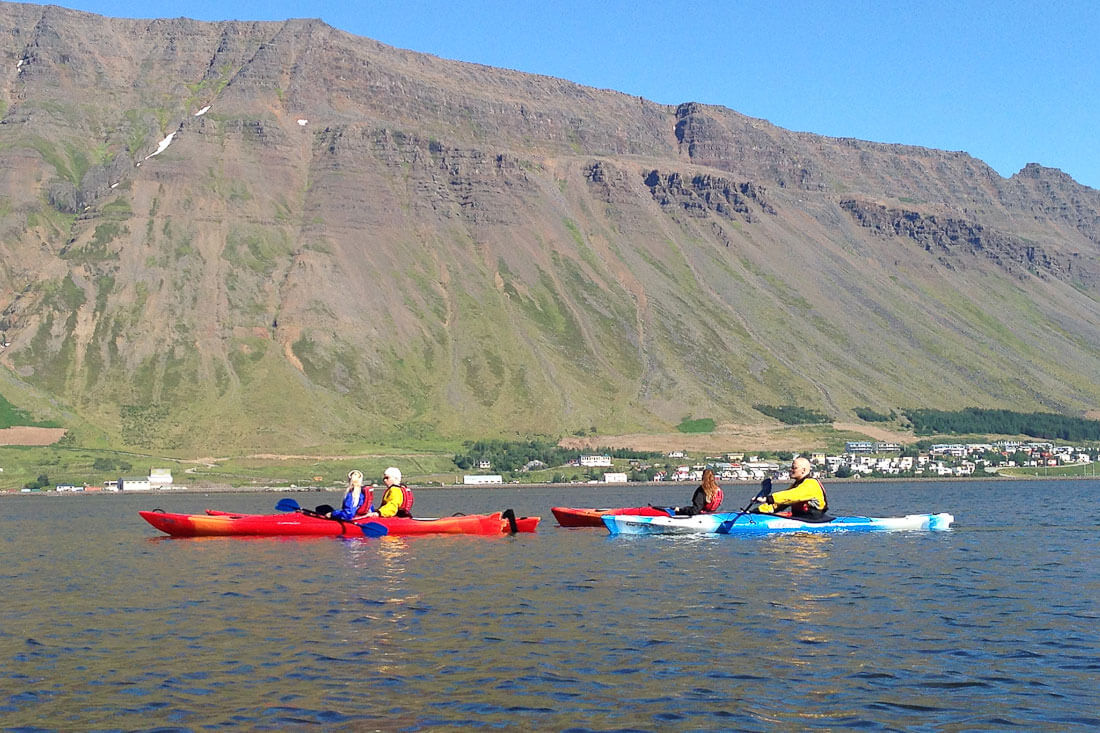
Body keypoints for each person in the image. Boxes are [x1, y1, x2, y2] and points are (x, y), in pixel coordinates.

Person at [753, 456, 829, 520]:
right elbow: (780, 503)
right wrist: (758, 510)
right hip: (800, 517)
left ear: (803, 470)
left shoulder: (811, 484)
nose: (791, 470)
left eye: (794, 468)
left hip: (814, 519)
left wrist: (768, 499)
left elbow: (791, 496)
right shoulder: (797, 484)